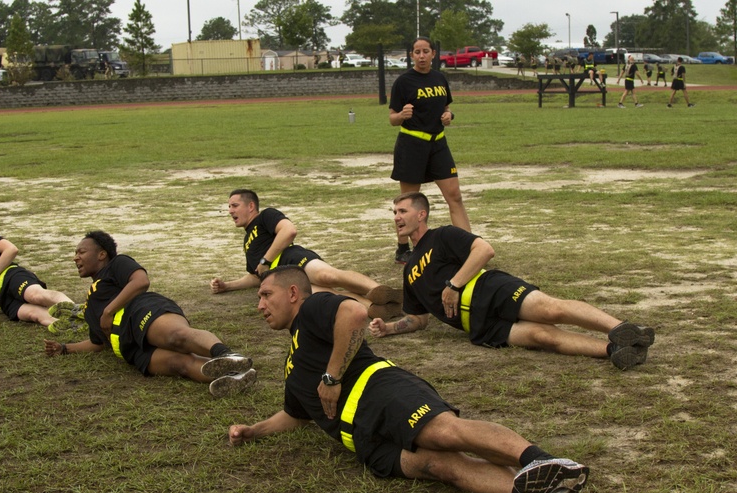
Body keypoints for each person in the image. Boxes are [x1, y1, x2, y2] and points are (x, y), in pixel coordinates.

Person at [228, 266, 591, 493]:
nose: (259, 304)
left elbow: (353, 312)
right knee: (441, 466)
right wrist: (253, 431)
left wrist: (332, 376)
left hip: (381, 392)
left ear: (293, 293)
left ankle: (545, 461)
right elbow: (296, 414)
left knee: (443, 433)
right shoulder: (292, 359)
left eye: (265, 294)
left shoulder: (312, 308)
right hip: (364, 440)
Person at [369, 193, 655, 369]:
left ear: (422, 214)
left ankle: (622, 329)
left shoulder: (442, 235)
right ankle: (616, 350)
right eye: (394, 213)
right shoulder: (408, 271)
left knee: (550, 310)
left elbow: (484, 250)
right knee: (541, 337)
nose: (397, 217)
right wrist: (389, 328)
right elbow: (418, 319)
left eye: (402, 211)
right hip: (478, 326)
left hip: (490, 289)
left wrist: (454, 285)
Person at [45, 230, 256, 397]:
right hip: (130, 347)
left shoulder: (116, 264)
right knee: (179, 364)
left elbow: (141, 281)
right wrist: (65, 349)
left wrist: (109, 311)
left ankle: (227, 355)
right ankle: (235, 377)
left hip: (140, 311)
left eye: (81, 252)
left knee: (177, 337)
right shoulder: (91, 304)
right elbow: (98, 343)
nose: (75, 258)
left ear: (101, 254)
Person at [209, 189, 403, 320]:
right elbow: (255, 275)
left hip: (292, 258)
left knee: (327, 276)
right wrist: (228, 286)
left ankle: (381, 291)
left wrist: (265, 260)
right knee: (327, 295)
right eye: (229, 207)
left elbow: (289, 230)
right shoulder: (247, 242)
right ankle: (376, 308)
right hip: (284, 280)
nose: (230, 211)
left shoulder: (265, 216)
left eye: (234, 205)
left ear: (250, 206)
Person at [388, 37, 471, 265]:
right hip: (412, 146)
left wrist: (449, 116)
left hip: (438, 144)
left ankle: (469, 246)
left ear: (433, 54)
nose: (422, 55)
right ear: (412, 55)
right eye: (417, 52)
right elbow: (392, 118)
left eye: (426, 51)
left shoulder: (440, 78)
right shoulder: (404, 82)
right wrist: (401, 116)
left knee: (455, 196)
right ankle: (405, 248)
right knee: (408, 204)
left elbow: (446, 107)